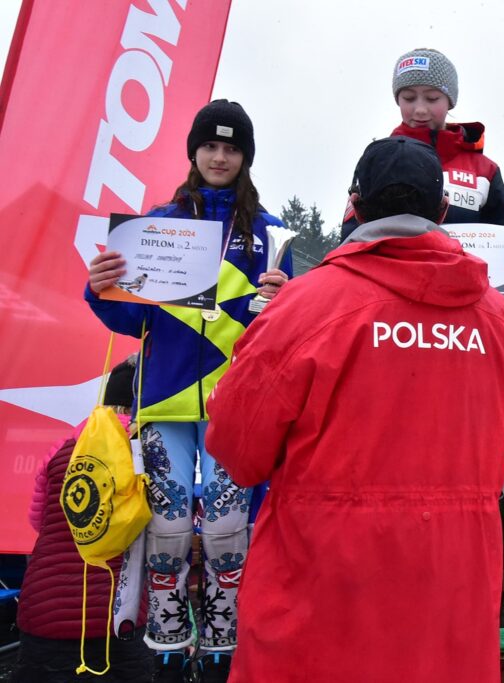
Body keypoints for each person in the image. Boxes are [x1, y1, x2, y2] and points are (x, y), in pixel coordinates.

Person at [204, 135, 504, 681]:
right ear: (442, 210)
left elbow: (236, 444)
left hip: (318, 591)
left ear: (356, 205)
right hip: (452, 588)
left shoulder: (303, 308)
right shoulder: (500, 322)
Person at [83, 99, 291, 682]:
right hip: (166, 399)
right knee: (168, 528)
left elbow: (290, 326)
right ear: (194, 152)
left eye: (232, 148)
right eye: (210, 146)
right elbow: (134, 320)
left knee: (227, 528)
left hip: (236, 404)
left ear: (245, 157)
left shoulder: (271, 233)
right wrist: (102, 290)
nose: (220, 157)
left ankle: (225, 640)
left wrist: (283, 299)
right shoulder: (158, 222)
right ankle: (168, 641)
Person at [340, 47, 504, 282]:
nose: (420, 109)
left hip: (462, 301)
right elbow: (350, 239)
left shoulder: (484, 171)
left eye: (432, 98)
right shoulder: (377, 160)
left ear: (450, 101)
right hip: (386, 296)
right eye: (408, 97)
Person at [13, 358, 152, 683]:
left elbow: (39, 521)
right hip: (118, 619)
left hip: (44, 611)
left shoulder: (63, 447)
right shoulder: (147, 451)